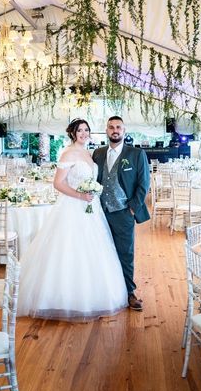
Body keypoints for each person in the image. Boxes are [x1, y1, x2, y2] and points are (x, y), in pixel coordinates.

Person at [17, 119, 128, 321]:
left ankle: (93, 295)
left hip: (91, 208)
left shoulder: (89, 153)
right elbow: (58, 183)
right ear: (73, 133)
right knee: (68, 251)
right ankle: (61, 299)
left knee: (93, 250)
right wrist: (80, 195)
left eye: (86, 130)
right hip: (72, 207)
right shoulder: (68, 153)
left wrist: (90, 195)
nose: (84, 133)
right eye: (80, 130)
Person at [92, 116, 150, 311]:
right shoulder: (97, 153)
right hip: (100, 212)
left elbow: (144, 184)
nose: (114, 130)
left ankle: (129, 292)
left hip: (123, 211)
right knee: (102, 252)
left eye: (118, 127)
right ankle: (104, 291)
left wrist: (133, 207)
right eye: (111, 127)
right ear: (106, 130)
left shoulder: (136, 154)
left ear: (124, 130)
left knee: (125, 253)